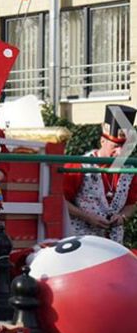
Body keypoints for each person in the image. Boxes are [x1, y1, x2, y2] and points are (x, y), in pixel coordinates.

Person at [62, 104, 137, 244]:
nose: (120, 152)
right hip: (82, 241)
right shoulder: (79, 165)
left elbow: (131, 205)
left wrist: (122, 217)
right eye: (116, 146)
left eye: (125, 147)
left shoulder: (130, 171)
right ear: (103, 141)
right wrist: (87, 217)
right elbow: (61, 200)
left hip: (114, 243)